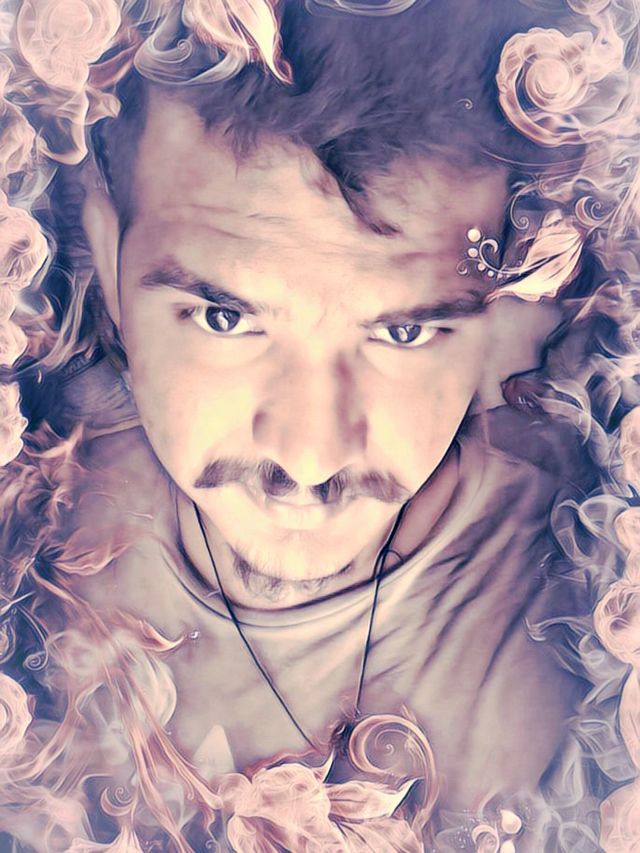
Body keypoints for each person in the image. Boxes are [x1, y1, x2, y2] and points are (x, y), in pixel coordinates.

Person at [0, 0, 638, 850]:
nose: (309, 455)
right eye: (225, 318)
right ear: (108, 264)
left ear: (511, 322)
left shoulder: (588, 623)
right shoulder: (28, 520)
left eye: (402, 333)